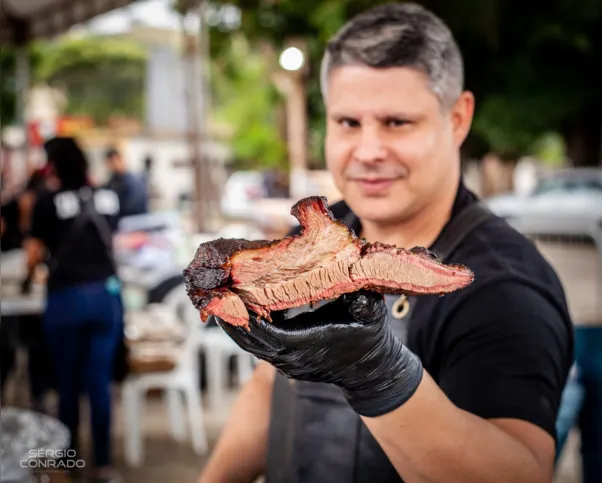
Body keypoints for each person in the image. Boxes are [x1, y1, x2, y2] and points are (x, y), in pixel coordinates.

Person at [197, 4, 574, 483]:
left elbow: (523, 473)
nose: (369, 151)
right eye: (348, 123)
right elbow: (267, 391)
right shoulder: (314, 245)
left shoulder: (506, 286)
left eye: (397, 122)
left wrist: (380, 375)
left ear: (457, 119)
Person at [24, 136, 122, 483]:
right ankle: (106, 465)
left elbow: (33, 255)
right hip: (105, 298)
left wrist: (30, 273)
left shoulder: (46, 200)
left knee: (67, 385)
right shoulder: (109, 197)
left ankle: (69, 463)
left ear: (53, 165)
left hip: (65, 300)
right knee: (99, 384)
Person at [104, 147, 148, 218]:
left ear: (121, 160)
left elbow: (136, 205)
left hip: (133, 220)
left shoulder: (133, 181)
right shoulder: (113, 180)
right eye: (110, 163)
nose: (113, 165)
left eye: (114, 161)